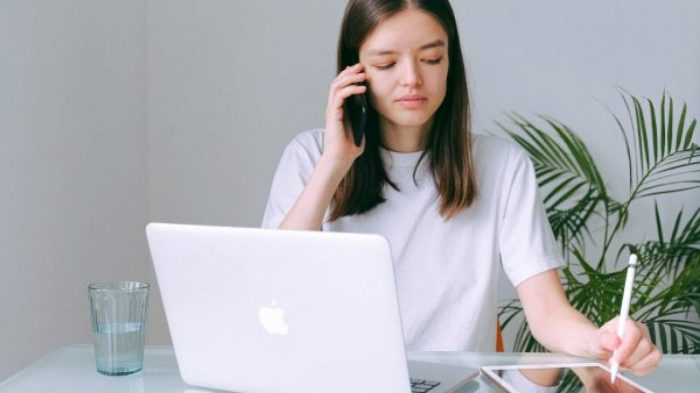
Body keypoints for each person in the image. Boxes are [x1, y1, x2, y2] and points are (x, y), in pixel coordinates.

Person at [262, 0, 661, 377]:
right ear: (353, 72)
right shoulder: (310, 157)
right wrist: (334, 164)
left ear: (450, 62)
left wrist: (601, 341)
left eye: (431, 58)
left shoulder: (502, 166)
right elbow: (272, 289)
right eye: (386, 64)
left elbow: (549, 314)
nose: (412, 79)